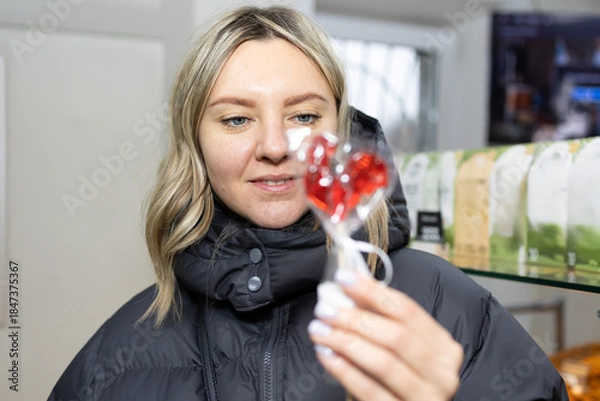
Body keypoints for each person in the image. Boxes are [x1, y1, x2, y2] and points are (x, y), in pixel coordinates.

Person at [48, 5, 567, 401]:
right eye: (236, 119)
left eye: (302, 116)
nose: (275, 147)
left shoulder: (444, 305)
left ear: (340, 132)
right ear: (195, 144)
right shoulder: (117, 356)